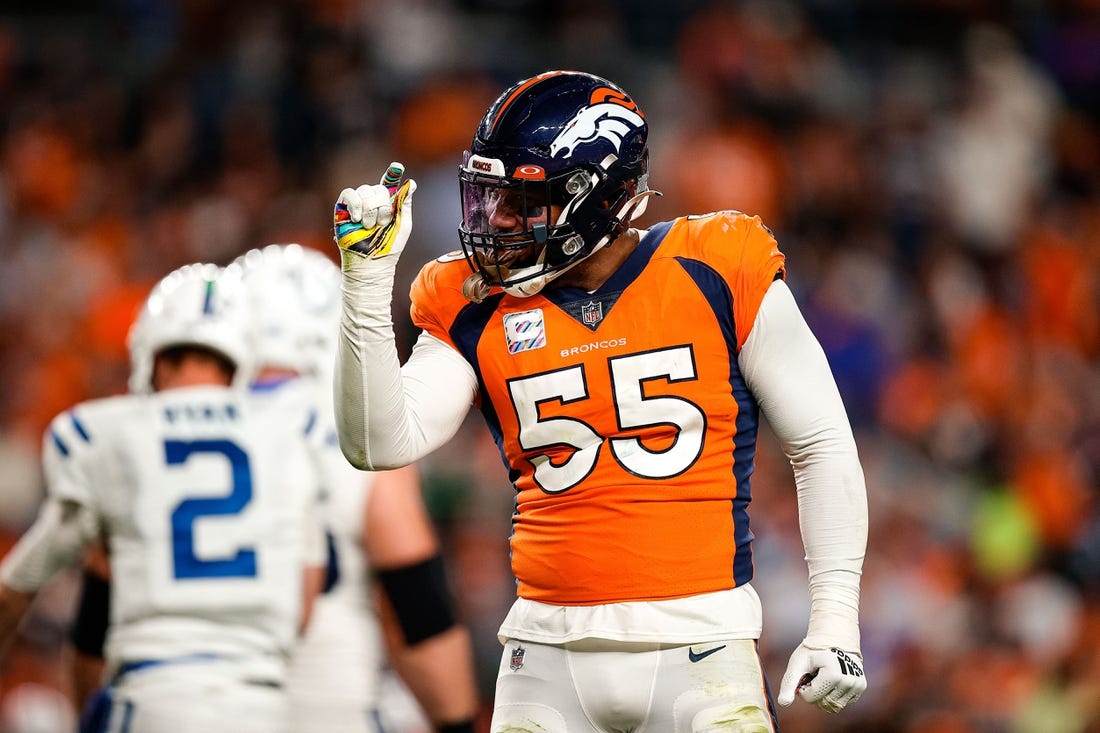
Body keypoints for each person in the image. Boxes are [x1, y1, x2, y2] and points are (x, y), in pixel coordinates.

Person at [330, 69, 869, 732]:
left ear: (595, 195)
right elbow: (379, 442)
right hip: (544, 654)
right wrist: (365, 283)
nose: (496, 220)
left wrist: (837, 617)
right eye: (491, 195)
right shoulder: (472, 301)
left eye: (523, 201)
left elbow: (821, 442)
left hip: (701, 645)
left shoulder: (717, 265)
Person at [0, 263, 328, 733]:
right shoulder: (292, 436)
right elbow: (302, 606)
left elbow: (17, 591)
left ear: (153, 354)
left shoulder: (105, 435)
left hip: (153, 699)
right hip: (262, 707)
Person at [233, 243, 479, 733]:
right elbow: (415, 615)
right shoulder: (355, 441)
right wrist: (458, 723)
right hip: (327, 705)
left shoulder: (159, 435)